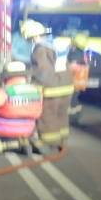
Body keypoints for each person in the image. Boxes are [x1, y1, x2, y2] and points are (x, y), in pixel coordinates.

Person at [21, 19, 74, 151]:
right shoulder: (55, 44)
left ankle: (48, 143)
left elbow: (43, 71)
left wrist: (33, 83)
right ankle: (62, 140)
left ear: (34, 36)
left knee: (48, 115)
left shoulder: (39, 49)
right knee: (61, 113)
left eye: (29, 39)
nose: (29, 42)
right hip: (67, 86)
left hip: (52, 89)